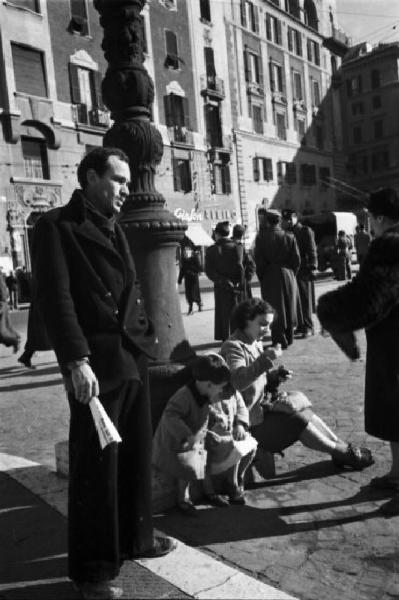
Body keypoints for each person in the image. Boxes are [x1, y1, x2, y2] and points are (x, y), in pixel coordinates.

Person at [33, 147, 176, 600]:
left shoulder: (114, 225)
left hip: (131, 358)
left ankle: (138, 540)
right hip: (94, 367)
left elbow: (130, 288)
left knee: (134, 457)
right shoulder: (56, 226)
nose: (125, 190)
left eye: (128, 181)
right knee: (97, 471)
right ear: (91, 177)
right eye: (117, 180)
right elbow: (57, 300)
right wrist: (75, 362)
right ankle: (92, 573)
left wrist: (145, 338)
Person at [317, 188, 399, 516]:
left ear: (379, 217)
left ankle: (398, 475)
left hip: (394, 341)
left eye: (369, 217)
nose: (369, 224)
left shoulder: (389, 246)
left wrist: (329, 308)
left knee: (395, 406)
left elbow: (370, 297)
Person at [221, 298, 373, 473]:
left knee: (305, 412)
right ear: (246, 320)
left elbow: (255, 379)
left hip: (260, 410)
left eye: (269, 325)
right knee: (297, 421)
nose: (267, 330)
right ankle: (341, 453)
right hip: (245, 422)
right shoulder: (233, 347)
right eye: (263, 324)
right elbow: (238, 382)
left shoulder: (253, 341)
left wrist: (274, 376)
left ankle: (341, 447)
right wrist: (265, 360)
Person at [152, 354, 255, 515]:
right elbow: (171, 415)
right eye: (220, 386)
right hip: (179, 441)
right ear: (209, 384)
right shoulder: (184, 396)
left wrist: (214, 415)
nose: (222, 390)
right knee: (184, 471)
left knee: (201, 463)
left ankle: (210, 493)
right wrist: (187, 435)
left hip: (196, 437)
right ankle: (183, 499)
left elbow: (205, 407)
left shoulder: (204, 391)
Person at [254, 209, 301, 349]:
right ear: (279, 221)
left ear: (268, 221)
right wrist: (292, 274)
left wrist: (262, 276)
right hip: (288, 274)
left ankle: (279, 339)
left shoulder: (261, 238)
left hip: (270, 275)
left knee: (274, 308)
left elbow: (259, 261)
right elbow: (296, 260)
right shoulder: (289, 236)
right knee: (289, 305)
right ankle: (289, 337)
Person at [205, 221, 245, 341]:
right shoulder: (238, 247)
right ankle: (239, 339)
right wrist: (239, 282)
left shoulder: (211, 250)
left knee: (223, 316)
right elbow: (243, 267)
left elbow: (209, 271)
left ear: (217, 234)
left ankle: (226, 340)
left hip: (221, 287)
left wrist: (222, 280)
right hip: (237, 287)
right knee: (238, 314)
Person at [282, 209, 318, 338]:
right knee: (295, 299)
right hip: (292, 270)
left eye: (291, 218)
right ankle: (301, 325)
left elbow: (312, 249)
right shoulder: (286, 233)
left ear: (296, 218)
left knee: (305, 299)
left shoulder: (305, 231)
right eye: (286, 219)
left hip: (304, 269)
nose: (289, 221)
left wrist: (313, 266)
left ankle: (309, 326)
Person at [231, 224, 256, 299]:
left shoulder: (226, 246)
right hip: (241, 281)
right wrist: (247, 278)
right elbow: (251, 265)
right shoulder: (240, 247)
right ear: (242, 235)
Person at [178, 244, 202, 315]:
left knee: (195, 293)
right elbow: (182, 270)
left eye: (187, 250)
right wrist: (180, 279)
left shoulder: (195, 257)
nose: (185, 252)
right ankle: (190, 308)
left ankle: (199, 304)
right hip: (187, 279)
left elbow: (199, 268)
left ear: (190, 251)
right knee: (189, 294)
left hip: (194, 278)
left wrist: (192, 271)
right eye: (184, 251)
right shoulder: (184, 259)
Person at [0, 268, 20, 353]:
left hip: (1, 304)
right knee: (5, 327)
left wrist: (2, 303)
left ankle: (14, 340)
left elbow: (2, 291)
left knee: (2, 331)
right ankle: (15, 338)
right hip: (2, 303)